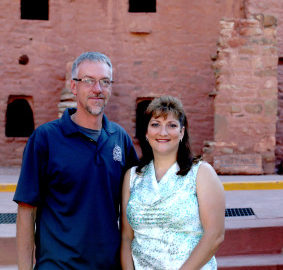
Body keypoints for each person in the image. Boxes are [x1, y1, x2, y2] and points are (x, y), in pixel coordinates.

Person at [13, 51, 139, 270]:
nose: (97, 89)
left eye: (105, 82)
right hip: (58, 266)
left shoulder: (120, 139)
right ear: (74, 87)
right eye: (88, 81)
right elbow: (26, 210)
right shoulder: (45, 139)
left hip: (108, 266)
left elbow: (136, 206)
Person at [120, 95, 225, 270]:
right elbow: (126, 238)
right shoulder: (132, 177)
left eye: (172, 125)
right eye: (155, 124)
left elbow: (215, 235)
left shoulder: (201, 173)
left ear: (182, 132)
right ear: (146, 132)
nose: (163, 132)